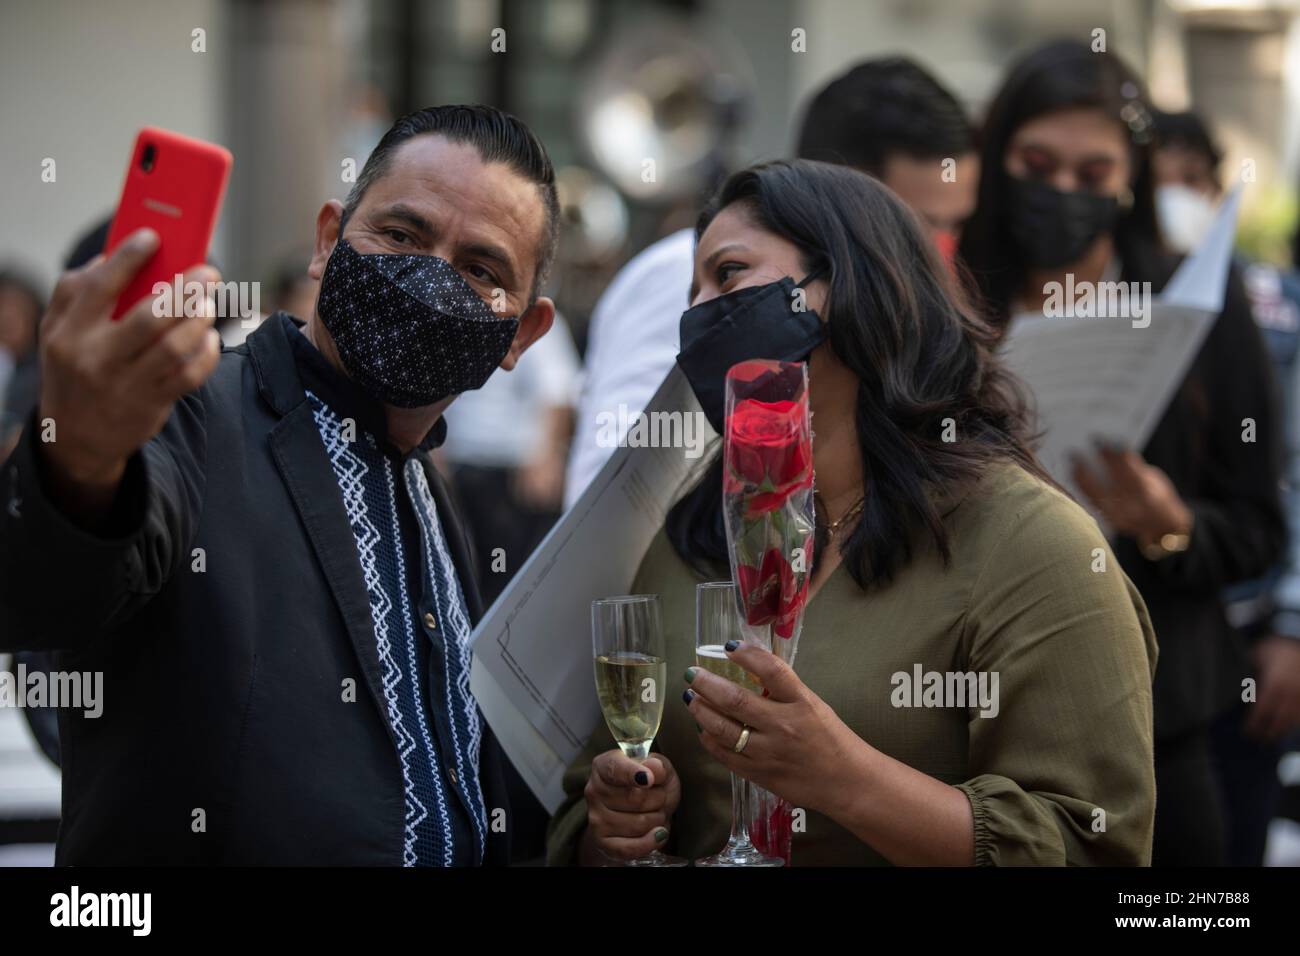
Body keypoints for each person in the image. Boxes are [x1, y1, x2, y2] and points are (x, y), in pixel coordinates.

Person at [548, 159, 1158, 866]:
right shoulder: (693, 532)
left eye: (729, 274)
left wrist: (840, 777)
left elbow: (1088, 844)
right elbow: (588, 805)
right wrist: (616, 825)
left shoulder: (1032, 544)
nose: (700, 316)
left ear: (846, 285)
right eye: (694, 293)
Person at [0, 104, 559, 865]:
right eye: (400, 236)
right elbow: (43, 590)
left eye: (481, 270)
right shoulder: (192, 413)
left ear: (520, 335)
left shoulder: (431, 494)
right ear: (328, 242)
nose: (431, 281)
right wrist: (83, 452)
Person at [959, 42, 1286, 866]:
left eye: (1092, 172)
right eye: (1038, 164)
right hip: (973, 714)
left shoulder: (1197, 304)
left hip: (1158, 718)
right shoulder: (946, 297)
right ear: (998, 158)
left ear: (1129, 179)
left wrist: (1168, 524)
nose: (1063, 192)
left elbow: (1257, 526)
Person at [564, 56, 979, 508]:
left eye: (953, 226)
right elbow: (611, 499)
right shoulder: (688, 274)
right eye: (914, 224)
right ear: (850, 201)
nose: (934, 252)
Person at [1151, 108, 1300, 864]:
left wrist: (1292, 629)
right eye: (1158, 183)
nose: (1175, 198)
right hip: (1156, 642)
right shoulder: (1109, 300)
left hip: (1249, 633)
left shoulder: (1268, 308)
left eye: (1191, 181)